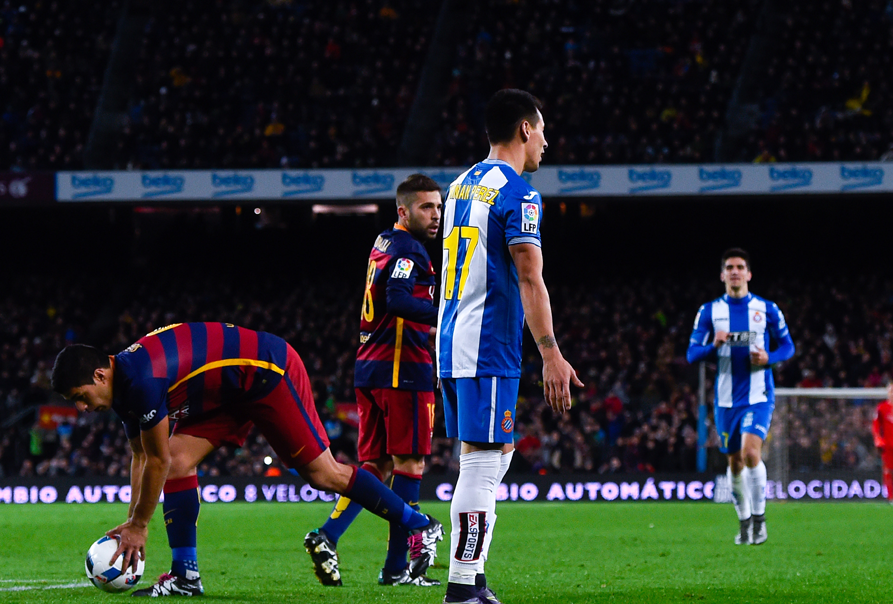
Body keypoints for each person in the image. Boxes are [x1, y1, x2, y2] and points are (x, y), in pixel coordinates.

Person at [51, 324, 443, 597]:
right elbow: (141, 455)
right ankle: (186, 575)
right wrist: (133, 519)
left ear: (100, 375)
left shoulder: (141, 382)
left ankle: (420, 525)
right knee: (179, 460)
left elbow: (154, 461)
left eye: (80, 397)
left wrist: (139, 525)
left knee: (323, 474)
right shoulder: (123, 385)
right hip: (231, 387)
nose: (83, 409)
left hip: (267, 370)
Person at [437, 89, 582, 604]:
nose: (546, 142)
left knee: (491, 454)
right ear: (525, 130)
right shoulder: (517, 193)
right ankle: (462, 585)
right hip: (488, 344)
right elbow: (529, 278)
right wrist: (550, 353)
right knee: (481, 460)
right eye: (542, 131)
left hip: (452, 342)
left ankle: (471, 578)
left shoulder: (459, 185)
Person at [305, 174, 445, 587]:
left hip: (370, 364)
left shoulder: (383, 241)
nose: (435, 215)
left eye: (438, 206)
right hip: (402, 368)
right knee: (410, 464)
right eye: (426, 207)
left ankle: (327, 535)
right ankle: (398, 567)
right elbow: (399, 299)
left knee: (377, 465)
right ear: (403, 210)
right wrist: (447, 315)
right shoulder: (409, 250)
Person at [687, 248, 795, 545]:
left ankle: (760, 521)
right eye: (730, 267)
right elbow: (691, 353)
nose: (735, 272)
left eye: (740, 267)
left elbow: (788, 347)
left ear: (749, 274)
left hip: (759, 394)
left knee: (750, 454)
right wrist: (713, 345)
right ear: (722, 275)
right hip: (725, 401)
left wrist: (769, 357)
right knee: (734, 463)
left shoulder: (767, 309)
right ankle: (745, 520)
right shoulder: (709, 312)